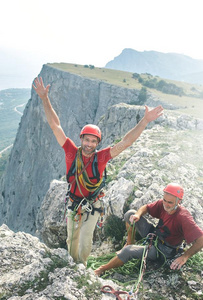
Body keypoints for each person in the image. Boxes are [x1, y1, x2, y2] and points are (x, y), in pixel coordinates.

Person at [33, 76, 163, 266]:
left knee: (85, 240)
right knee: (71, 239)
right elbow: (55, 125)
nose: (89, 144)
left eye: (93, 141)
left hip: (93, 205)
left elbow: (126, 142)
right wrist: (45, 98)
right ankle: (72, 265)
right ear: (81, 139)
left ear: (97, 143)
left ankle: (81, 266)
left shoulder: (101, 157)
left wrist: (144, 121)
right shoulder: (70, 150)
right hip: (73, 203)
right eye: (86, 140)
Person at [94, 183, 203, 275]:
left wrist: (185, 257)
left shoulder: (183, 217)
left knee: (128, 251)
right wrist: (137, 215)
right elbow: (145, 208)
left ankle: (102, 269)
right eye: (165, 200)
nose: (166, 204)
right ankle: (129, 241)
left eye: (170, 202)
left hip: (165, 250)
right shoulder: (162, 204)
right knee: (130, 214)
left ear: (178, 201)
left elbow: (201, 239)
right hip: (155, 235)